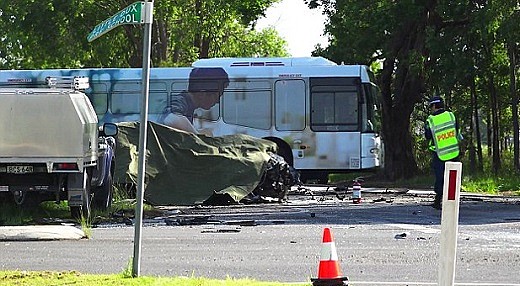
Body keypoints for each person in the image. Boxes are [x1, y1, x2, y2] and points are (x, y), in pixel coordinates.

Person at [160, 67, 229, 134]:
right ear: (202, 93)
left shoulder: (189, 106)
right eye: (218, 95)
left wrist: (200, 132)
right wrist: (197, 137)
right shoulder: (180, 101)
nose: (218, 101)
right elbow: (171, 119)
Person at [424, 96, 462, 210]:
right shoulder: (451, 115)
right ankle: (453, 201)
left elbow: (428, 136)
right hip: (454, 151)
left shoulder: (431, 120)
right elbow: (457, 131)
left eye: (431, 106)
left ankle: (438, 201)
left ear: (434, 106)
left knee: (440, 177)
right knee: (453, 177)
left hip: (440, 153)